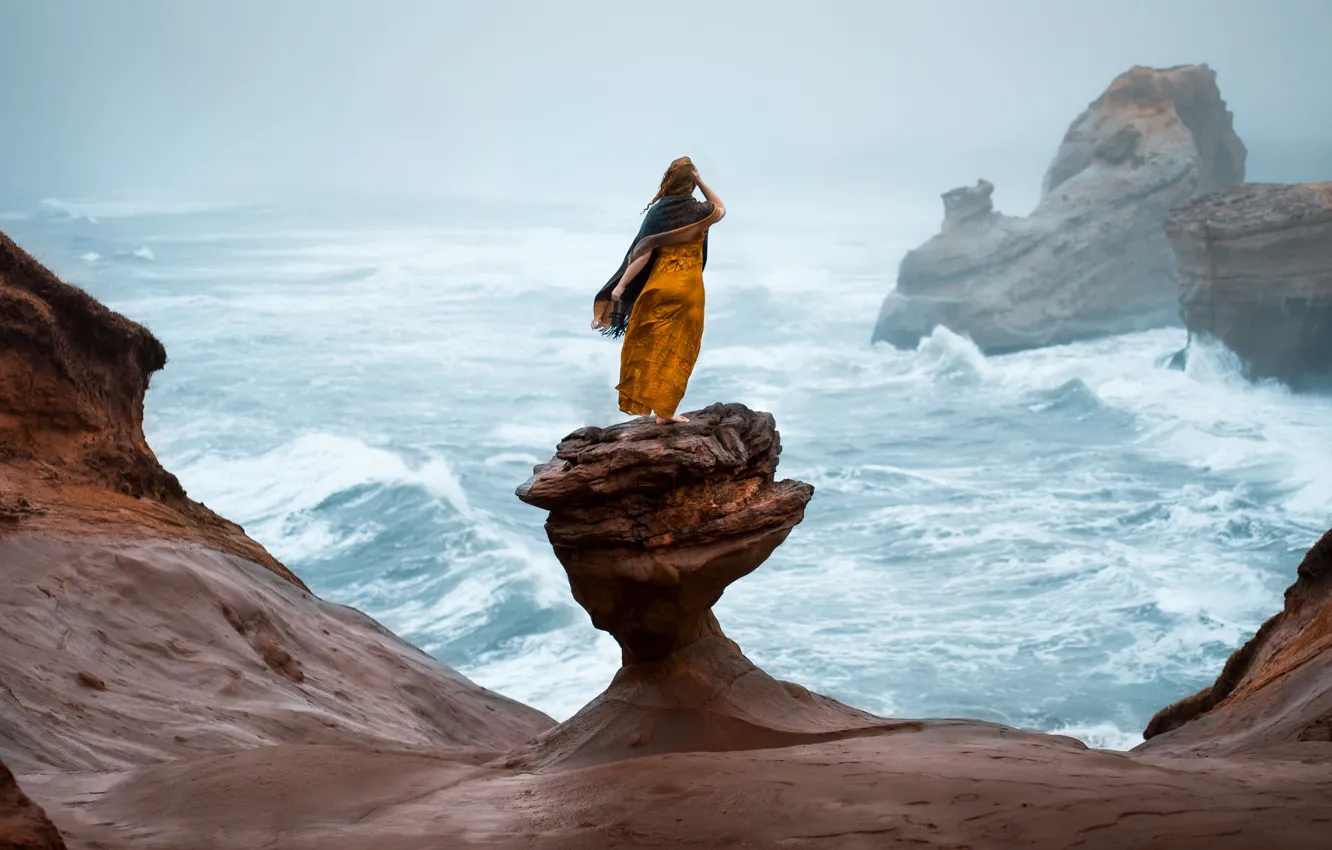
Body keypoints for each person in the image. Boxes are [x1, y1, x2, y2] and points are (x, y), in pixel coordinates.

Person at [591, 156, 725, 424]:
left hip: (659, 288)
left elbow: (641, 257)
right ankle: (665, 411)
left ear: (667, 181)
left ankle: (647, 404)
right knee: (679, 347)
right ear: (691, 184)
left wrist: (620, 287)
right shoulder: (701, 211)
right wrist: (700, 181)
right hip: (690, 291)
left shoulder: (658, 213)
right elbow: (721, 208)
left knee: (646, 342)